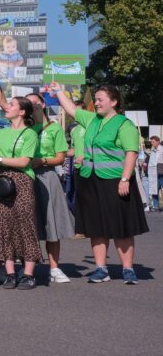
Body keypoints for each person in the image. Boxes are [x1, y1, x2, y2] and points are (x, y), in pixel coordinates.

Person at [49, 82, 148, 284]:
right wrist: (58, 91)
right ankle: (101, 269)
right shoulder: (92, 119)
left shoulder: (124, 124)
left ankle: (128, 269)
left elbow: (131, 152)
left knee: (121, 226)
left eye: (101, 99)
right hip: (90, 179)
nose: (96, 103)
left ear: (114, 102)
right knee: (96, 227)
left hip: (115, 180)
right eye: (96, 99)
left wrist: (125, 179)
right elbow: (71, 109)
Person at [0, 96, 40, 290]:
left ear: (22, 112)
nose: (6, 107)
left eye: (12, 104)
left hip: (22, 181)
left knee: (25, 225)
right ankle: (10, 273)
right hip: (0, 182)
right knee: (3, 226)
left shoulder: (30, 134)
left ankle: (28, 274)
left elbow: (24, 161)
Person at [26, 93, 74, 284]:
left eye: (35, 102)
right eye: (28, 103)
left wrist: (43, 160)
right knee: (27, 224)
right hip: (26, 176)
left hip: (47, 176)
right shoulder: (24, 128)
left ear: (43, 103)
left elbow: (60, 157)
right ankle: (27, 268)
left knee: (51, 223)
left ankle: (54, 268)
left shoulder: (54, 128)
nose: (32, 105)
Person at [149, 136, 161, 212]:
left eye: (153, 142)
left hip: (161, 174)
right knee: (154, 189)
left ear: (158, 141)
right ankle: (156, 206)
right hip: (154, 173)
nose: (152, 143)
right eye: (151, 142)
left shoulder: (161, 150)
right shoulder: (152, 150)